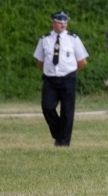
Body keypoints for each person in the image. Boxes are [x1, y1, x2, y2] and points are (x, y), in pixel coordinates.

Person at [33, 11, 89, 146]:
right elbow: (41, 61)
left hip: (68, 78)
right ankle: (59, 132)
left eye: (64, 22)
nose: (62, 25)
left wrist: (69, 72)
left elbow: (82, 61)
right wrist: (51, 71)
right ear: (53, 23)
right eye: (59, 22)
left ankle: (63, 142)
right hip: (50, 79)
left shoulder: (73, 39)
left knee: (67, 112)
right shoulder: (44, 39)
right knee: (47, 107)